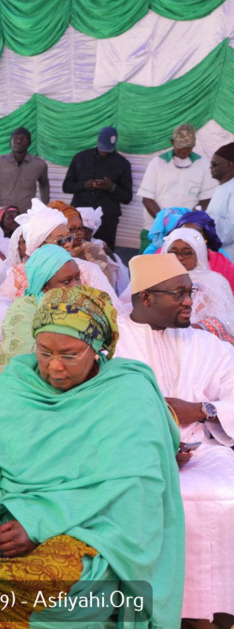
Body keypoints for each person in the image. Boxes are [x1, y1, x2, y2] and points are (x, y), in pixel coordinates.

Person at [0, 286, 183, 629]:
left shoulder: (127, 393)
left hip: (85, 527)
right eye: (44, 351)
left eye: (69, 355)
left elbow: (131, 486)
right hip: (3, 515)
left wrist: (37, 523)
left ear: (99, 349)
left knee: (59, 590)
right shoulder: (19, 382)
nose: (54, 367)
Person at [115, 253, 234, 626]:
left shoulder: (208, 345)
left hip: (204, 452)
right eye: (179, 293)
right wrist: (154, 445)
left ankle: (217, 611)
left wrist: (202, 410)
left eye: (191, 291)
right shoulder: (111, 345)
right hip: (130, 457)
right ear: (146, 297)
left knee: (226, 495)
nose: (190, 301)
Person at [0, 200, 120, 304]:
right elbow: (2, 312)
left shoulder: (89, 270)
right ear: (41, 245)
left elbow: (112, 308)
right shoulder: (15, 276)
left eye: (69, 238)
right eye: (61, 241)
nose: (68, 244)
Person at [0, 245, 82, 374]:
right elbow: (27, 360)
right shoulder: (24, 310)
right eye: (67, 281)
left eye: (77, 278)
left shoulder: (77, 308)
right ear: (45, 286)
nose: (76, 286)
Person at [62, 125, 134, 251]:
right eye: (102, 148)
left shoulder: (122, 164)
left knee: (104, 254)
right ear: (97, 142)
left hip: (106, 220)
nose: (104, 152)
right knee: (72, 250)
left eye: (107, 150)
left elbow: (127, 197)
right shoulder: (81, 158)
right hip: (79, 218)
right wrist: (84, 185)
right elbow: (66, 186)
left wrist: (111, 187)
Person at [138, 123, 215, 233]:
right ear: (172, 142)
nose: (184, 150)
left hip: (187, 229)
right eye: (181, 146)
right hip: (155, 227)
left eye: (188, 147)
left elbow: (206, 200)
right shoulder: (158, 163)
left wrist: (186, 222)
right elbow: (147, 199)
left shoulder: (203, 164)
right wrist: (164, 222)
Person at [163, 228, 234, 339]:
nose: (179, 258)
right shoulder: (157, 278)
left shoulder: (213, 281)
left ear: (198, 254)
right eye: (173, 252)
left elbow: (224, 319)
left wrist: (190, 329)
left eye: (186, 253)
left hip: (202, 340)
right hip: (162, 337)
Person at [48, 200, 119, 289]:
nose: (79, 233)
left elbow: (106, 288)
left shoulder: (92, 250)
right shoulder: (49, 252)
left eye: (81, 228)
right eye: (72, 229)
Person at [0, 127, 49, 213]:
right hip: (2, 215)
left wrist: (44, 208)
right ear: (10, 143)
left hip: (27, 215)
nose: (18, 141)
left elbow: (44, 184)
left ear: (29, 143)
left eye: (23, 138)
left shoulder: (39, 164)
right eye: (15, 138)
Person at [207, 142, 234, 255]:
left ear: (229, 165)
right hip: (220, 256)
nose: (211, 167)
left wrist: (202, 221)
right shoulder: (223, 187)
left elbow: (231, 229)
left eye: (214, 164)